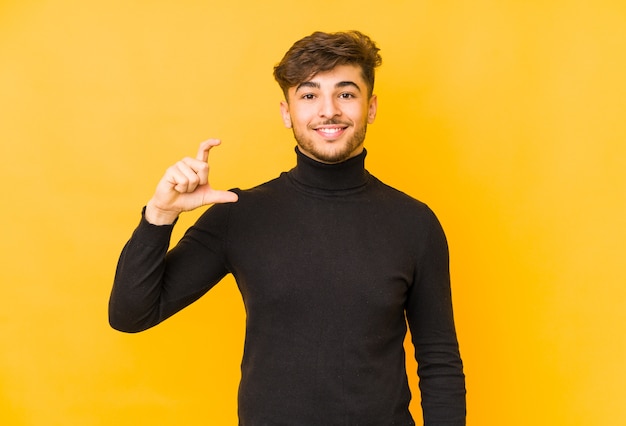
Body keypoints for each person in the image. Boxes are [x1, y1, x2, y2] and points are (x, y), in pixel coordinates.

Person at [109, 30, 466, 425]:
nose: (328, 110)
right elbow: (131, 314)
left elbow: (439, 360)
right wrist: (160, 215)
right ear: (286, 112)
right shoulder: (238, 214)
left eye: (346, 94)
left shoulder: (415, 223)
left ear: (371, 107)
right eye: (309, 95)